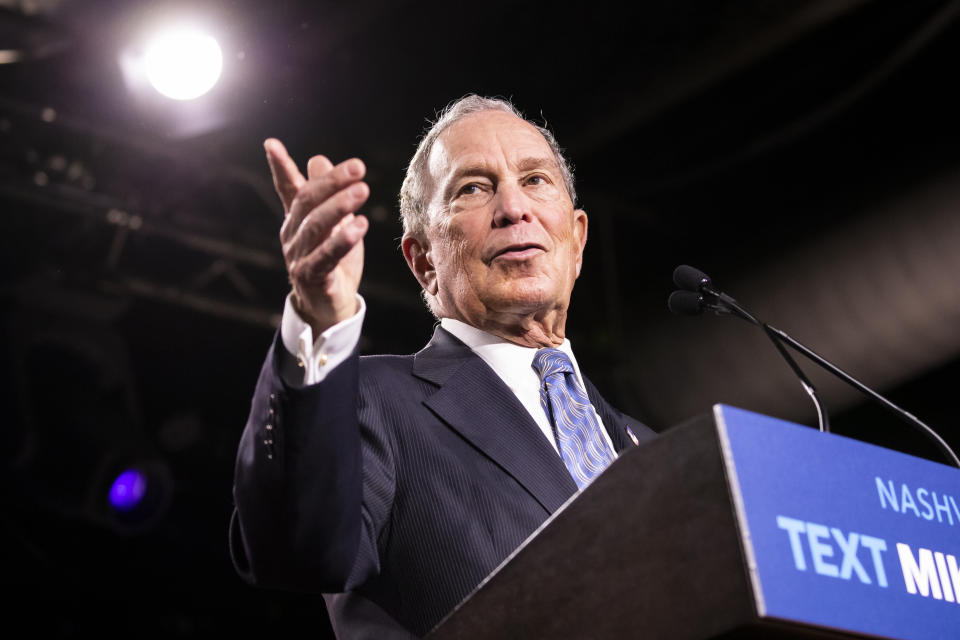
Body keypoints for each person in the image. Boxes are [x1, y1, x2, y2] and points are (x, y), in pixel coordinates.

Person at [229, 95, 656, 638]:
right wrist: (317, 320)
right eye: (472, 188)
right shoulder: (372, 399)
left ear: (576, 239)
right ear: (423, 260)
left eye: (535, 180)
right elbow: (298, 550)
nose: (513, 208)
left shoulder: (648, 445)